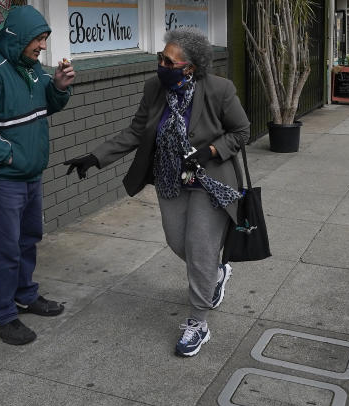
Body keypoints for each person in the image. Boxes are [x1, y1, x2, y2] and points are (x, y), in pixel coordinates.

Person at [64, 30, 249, 357]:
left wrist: (210, 150)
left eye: (168, 61)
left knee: (200, 246)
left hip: (209, 179)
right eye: (160, 58)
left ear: (189, 67)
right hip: (171, 177)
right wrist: (96, 157)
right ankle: (216, 274)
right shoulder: (155, 88)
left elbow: (241, 131)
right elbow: (137, 131)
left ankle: (198, 322)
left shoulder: (219, 90)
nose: (161, 65)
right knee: (178, 242)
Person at [0, 5, 76, 345]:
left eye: (45, 40)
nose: (42, 47)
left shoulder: (32, 69)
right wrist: (8, 157)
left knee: (28, 238)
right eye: (38, 39)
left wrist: (60, 87)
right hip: (4, 178)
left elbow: (47, 103)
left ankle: (24, 294)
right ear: (20, 36)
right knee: (5, 247)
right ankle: (1, 316)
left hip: (30, 174)